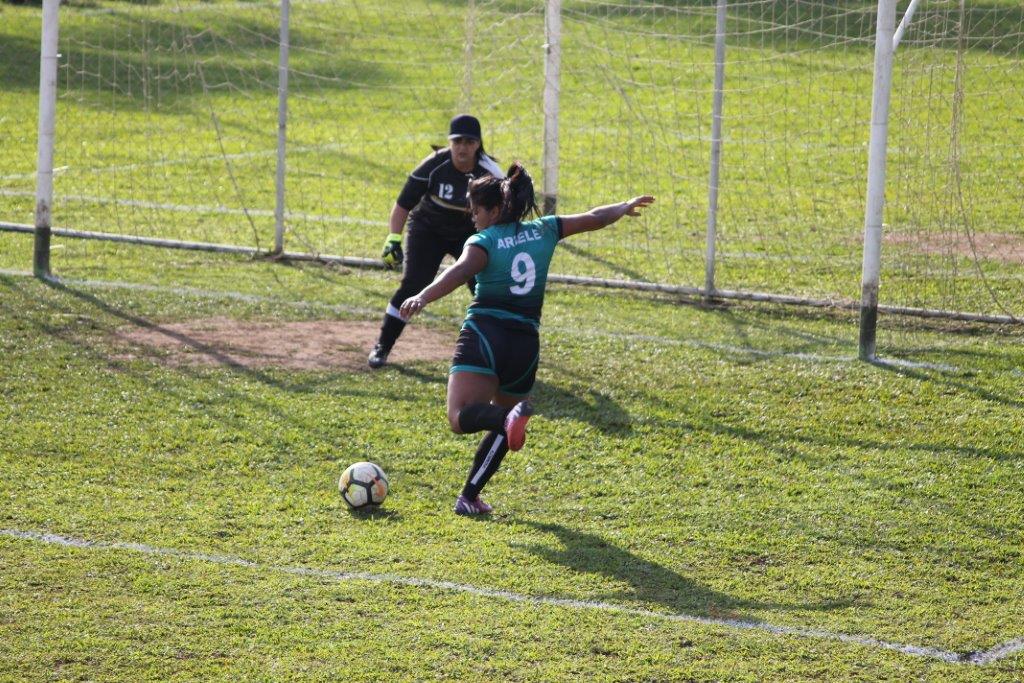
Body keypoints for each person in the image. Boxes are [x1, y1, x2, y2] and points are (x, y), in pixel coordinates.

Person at [399, 162, 654, 515]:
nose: (472, 217)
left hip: (485, 334)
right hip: (525, 344)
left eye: (475, 210)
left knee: (460, 418)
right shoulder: (547, 230)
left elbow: (459, 272)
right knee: (505, 419)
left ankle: (504, 422)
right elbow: (595, 217)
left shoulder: (483, 241)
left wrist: (422, 296)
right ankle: (469, 496)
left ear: (494, 209)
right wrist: (623, 207)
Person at [368, 114, 503, 369]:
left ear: (478, 144)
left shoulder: (490, 173)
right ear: (449, 143)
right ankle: (383, 346)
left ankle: (496, 353)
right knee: (413, 285)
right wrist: (393, 239)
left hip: (470, 233)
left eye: (469, 141)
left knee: (484, 289)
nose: (463, 147)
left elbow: (503, 211)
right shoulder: (433, 166)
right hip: (428, 230)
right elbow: (402, 205)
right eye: (457, 141)